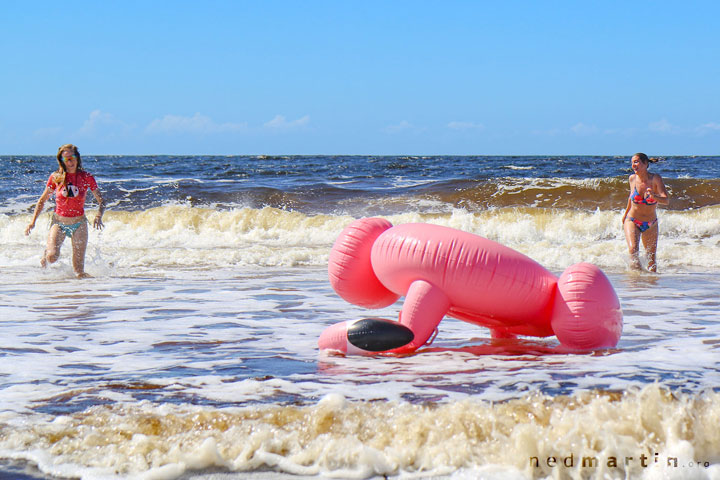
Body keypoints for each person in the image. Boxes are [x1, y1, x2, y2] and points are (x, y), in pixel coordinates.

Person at [25, 144, 105, 278]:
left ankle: (81, 295)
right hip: (59, 223)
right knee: (52, 257)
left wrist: (99, 215)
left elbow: (102, 201)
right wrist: (32, 222)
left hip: (79, 223)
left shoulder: (86, 177)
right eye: (66, 159)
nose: (70, 161)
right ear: (62, 161)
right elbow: (42, 200)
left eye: (72, 157)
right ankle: (45, 256)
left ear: (77, 158)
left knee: (79, 271)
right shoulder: (56, 177)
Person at [621, 153, 669, 272]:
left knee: (651, 261)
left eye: (636, 162)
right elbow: (630, 198)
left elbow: (666, 200)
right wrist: (625, 215)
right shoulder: (632, 179)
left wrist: (654, 196)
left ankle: (650, 287)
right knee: (633, 251)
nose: (633, 165)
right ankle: (636, 282)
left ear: (645, 163)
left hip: (650, 224)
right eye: (632, 162)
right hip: (632, 220)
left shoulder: (655, 179)